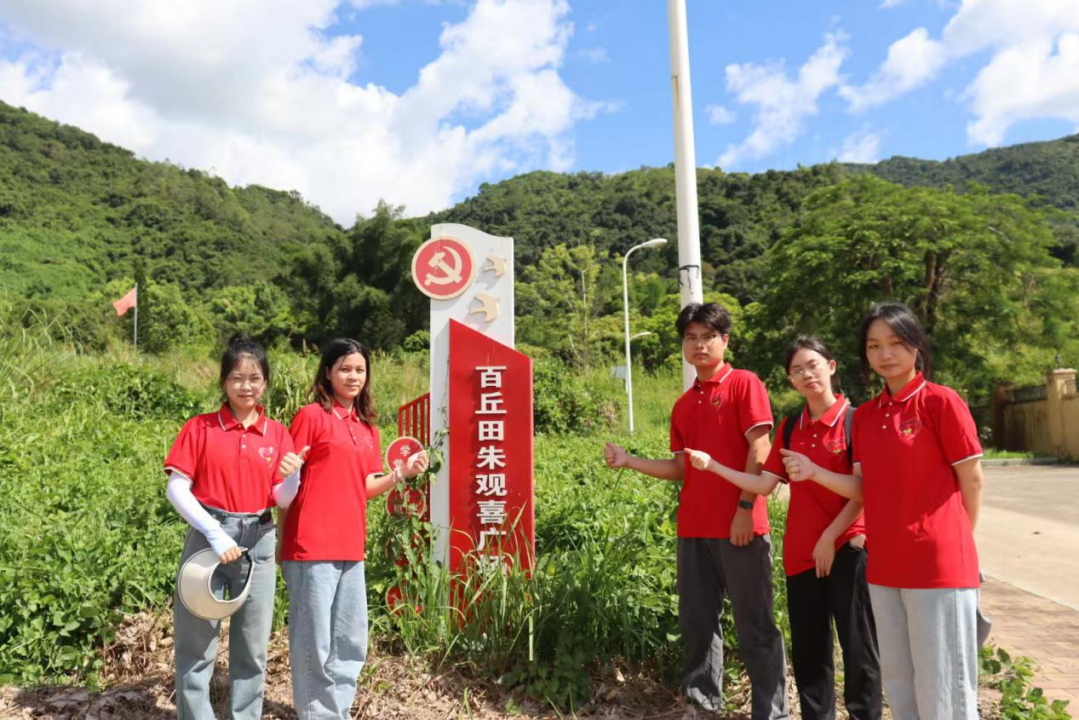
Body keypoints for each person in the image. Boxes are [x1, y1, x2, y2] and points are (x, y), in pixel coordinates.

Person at [782, 303, 984, 720]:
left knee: (943, 685)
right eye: (874, 345)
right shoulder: (868, 417)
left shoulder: (940, 402)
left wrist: (959, 542)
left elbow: (973, 479)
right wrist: (816, 472)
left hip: (937, 565)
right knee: (900, 683)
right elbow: (864, 489)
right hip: (884, 567)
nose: (885, 354)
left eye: (895, 343)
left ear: (916, 345)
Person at [604, 302, 788, 719]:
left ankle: (771, 712)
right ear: (683, 345)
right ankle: (702, 704)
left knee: (755, 623)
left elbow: (760, 449)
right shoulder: (684, 404)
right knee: (698, 623)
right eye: (691, 338)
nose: (699, 344)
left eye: (708, 337)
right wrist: (630, 459)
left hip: (741, 525)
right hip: (693, 529)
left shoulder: (744, 384)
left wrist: (745, 509)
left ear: (725, 340)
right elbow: (679, 468)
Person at [685, 336, 882, 720]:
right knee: (810, 654)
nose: (807, 374)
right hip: (800, 555)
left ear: (831, 366)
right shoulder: (792, 428)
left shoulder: (855, 421)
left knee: (859, 651)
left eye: (813, 365)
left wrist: (829, 537)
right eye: (797, 370)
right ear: (790, 380)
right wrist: (714, 466)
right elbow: (763, 483)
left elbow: (862, 492)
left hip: (848, 546)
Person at [277, 338, 428, 720]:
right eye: (344, 368)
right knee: (315, 643)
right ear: (327, 372)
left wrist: (400, 474)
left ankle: (337, 711)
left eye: (360, 369)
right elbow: (285, 477)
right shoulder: (311, 416)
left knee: (350, 640)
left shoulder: (367, 427)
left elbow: (365, 486)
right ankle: (317, 715)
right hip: (310, 544)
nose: (353, 376)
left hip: (350, 545)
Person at [164, 333, 304, 719]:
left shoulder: (276, 433)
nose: (246, 386)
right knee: (196, 644)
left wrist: (293, 477)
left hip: (258, 540)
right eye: (237, 378)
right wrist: (213, 531)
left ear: (266, 383)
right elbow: (176, 488)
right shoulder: (201, 428)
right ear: (224, 382)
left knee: (253, 647)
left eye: (255, 378)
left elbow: (281, 498)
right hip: (208, 539)